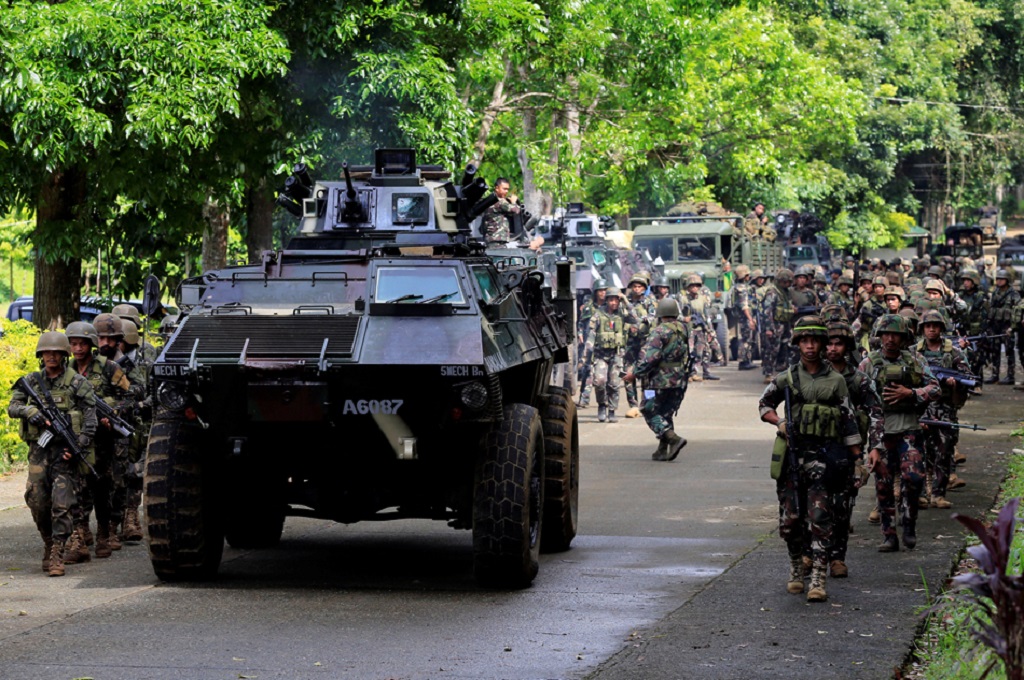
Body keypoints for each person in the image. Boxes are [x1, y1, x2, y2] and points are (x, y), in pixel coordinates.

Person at [758, 316, 863, 602]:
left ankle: (818, 576)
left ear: (822, 343)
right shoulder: (788, 377)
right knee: (790, 521)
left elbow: (849, 422)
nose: (810, 346)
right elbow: (764, 404)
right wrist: (778, 422)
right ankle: (796, 566)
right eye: (804, 340)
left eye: (815, 340)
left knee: (820, 518)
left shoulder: (837, 381)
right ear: (797, 344)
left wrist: (858, 461)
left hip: (825, 460)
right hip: (793, 459)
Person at [8, 331, 97, 576]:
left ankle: (58, 550)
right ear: (40, 355)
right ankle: (48, 541)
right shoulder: (32, 381)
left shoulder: (77, 382)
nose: (51, 356)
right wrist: (29, 412)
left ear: (63, 355)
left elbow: (90, 419)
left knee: (62, 503)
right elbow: (12, 407)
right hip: (39, 451)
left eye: (55, 353)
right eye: (46, 352)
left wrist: (77, 445)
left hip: (64, 453)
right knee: (37, 500)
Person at [858, 314, 941, 552]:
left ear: (904, 337)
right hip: (881, 431)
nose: (890, 339)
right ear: (880, 336)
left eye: (895, 334)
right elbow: (855, 393)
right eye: (886, 334)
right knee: (883, 485)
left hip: (910, 429)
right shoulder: (868, 363)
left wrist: (911, 393)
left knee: (913, 477)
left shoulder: (916, 360)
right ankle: (889, 534)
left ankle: (909, 522)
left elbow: (935, 387)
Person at [66, 316, 136, 561]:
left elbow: (131, 395)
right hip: (75, 437)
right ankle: (80, 533)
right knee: (75, 487)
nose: (77, 349)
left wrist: (112, 412)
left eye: (82, 344)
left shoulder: (108, 368)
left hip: (103, 439)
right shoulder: (65, 371)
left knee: (101, 487)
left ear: (91, 345)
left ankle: (105, 533)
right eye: (73, 344)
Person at [824, 320, 883, 578]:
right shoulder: (811, 374)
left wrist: (875, 446)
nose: (833, 348)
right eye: (829, 343)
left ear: (847, 347)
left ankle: (837, 557)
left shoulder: (858, 379)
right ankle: (809, 555)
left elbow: (876, 412)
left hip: (849, 451)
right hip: (816, 448)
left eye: (839, 343)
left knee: (842, 505)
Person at [915, 310, 971, 509]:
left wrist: (955, 382)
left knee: (944, 450)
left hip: (945, 408)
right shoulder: (915, 351)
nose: (932, 329)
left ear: (941, 329)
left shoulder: (953, 352)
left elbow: (967, 375)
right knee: (919, 452)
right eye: (928, 326)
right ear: (922, 328)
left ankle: (938, 493)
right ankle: (920, 493)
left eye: (936, 326)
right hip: (920, 408)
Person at [623, 298, 690, 461]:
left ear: (660, 314)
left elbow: (650, 359)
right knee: (665, 413)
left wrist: (634, 374)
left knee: (648, 409)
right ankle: (662, 449)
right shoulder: (683, 329)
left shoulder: (659, 332)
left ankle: (673, 439)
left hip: (656, 383)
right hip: (678, 380)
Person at [584, 289, 637, 422]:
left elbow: (635, 318)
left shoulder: (622, 313)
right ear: (606, 300)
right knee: (599, 382)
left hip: (617, 354)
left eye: (616, 300)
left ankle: (612, 410)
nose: (613, 302)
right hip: (601, 355)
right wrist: (586, 354)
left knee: (614, 383)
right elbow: (591, 334)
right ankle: (602, 405)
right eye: (611, 300)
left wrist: (625, 300)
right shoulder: (598, 314)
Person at [576, 279, 609, 408]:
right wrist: (580, 334)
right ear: (595, 292)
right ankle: (584, 398)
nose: (603, 293)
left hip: (604, 342)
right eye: (600, 291)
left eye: (605, 290)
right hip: (589, 342)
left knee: (604, 373)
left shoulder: (610, 306)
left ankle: (605, 399)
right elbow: (581, 322)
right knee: (587, 369)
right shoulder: (589, 307)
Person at [761, 268, 795, 382]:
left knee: (785, 347)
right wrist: (768, 328)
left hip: (785, 324)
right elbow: (767, 311)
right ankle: (768, 373)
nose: (788, 284)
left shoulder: (785, 292)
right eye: (786, 282)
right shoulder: (772, 292)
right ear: (781, 281)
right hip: (775, 325)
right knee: (771, 349)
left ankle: (781, 369)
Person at [682, 274, 719, 381]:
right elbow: (679, 313)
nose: (694, 288)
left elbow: (706, 314)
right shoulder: (684, 299)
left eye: (697, 286)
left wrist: (709, 329)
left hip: (701, 328)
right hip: (689, 329)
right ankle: (690, 373)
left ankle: (703, 372)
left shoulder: (702, 299)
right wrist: (685, 319)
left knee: (703, 351)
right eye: (692, 286)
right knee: (689, 352)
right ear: (688, 287)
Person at [986, 269, 1020, 384]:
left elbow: (1018, 311)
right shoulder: (995, 293)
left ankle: (1010, 376)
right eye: (998, 279)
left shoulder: (1013, 294)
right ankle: (995, 374)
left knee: (1009, 352)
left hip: (1007, 326)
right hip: (995, 326)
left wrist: (1013, 326)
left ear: (1007, 280)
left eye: (1001, 279)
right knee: (994, 351)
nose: (999, 281)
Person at [481, 178, 520, 246]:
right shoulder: (499, 201)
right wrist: (513, 201)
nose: (506, 191)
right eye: (504, 189)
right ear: (497, 188)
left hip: (494, 239)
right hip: (497, 239)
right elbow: (516, 210)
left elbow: (510, 213)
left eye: (507, 189)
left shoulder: (491, 199)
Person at [732, 265, 757, 370]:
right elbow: (744, 306)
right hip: (745, 317)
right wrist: (750, 319)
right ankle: (743, 361)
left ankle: (747, 360)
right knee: (746, 339)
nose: (749, 276)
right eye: (747, 274)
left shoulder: (740, 286)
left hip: (745, 316)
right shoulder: (741, 289)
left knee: (748, 339)